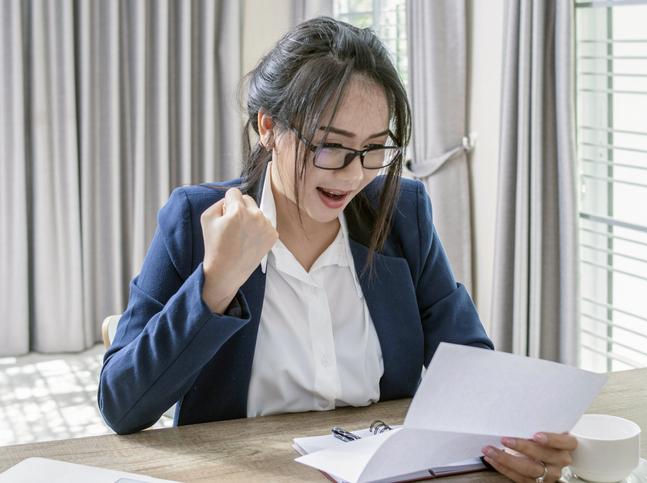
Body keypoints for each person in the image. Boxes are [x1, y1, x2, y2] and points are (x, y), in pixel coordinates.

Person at [98, 16, 575, 483]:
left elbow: (469, 363)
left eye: (373, 148)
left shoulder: (402, 213)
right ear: (269, 127)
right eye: (331, 146)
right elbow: (122, 407)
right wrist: (216, 282)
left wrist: (517, 438)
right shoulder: (197, 219)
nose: (353, 175)